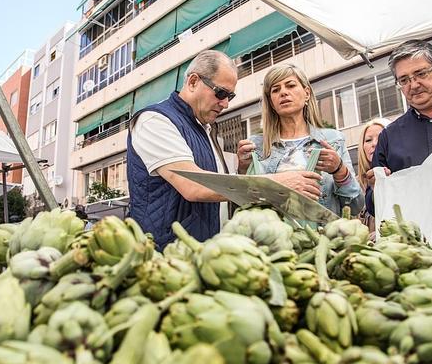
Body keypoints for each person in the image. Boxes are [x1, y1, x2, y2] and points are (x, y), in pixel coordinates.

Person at [127, 50, 322, 250]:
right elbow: (194, 186)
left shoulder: (205, 129)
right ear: (193, 82)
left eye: (230, 95)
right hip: (165, 258)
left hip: (202, 255)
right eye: (220, 93)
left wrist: (242, 170)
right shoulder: (155, 120)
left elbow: (222, 191)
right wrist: (278, 184)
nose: (226, 103)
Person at [365, 40, 432, 241]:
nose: (414, 85)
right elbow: (374, 206)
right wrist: (376, 188)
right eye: (404, 80)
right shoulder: (389, 136)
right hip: (421, 252)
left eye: (421, 74)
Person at [236, 63, 364, 216]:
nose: (283, 92)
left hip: (322, 237)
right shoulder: (256, 146)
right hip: (274, 237)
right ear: (271, 102)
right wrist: (243, 169)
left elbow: (356, 206)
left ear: (307, 93)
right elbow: (247, 204)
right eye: (276, 90)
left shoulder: (333, 140)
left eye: (290, 85)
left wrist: (340, 171)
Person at [357, 119, 389, 233]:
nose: (374, 144)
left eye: (380, 138)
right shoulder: (354, 186)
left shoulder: (399, 178)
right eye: (368, 140)